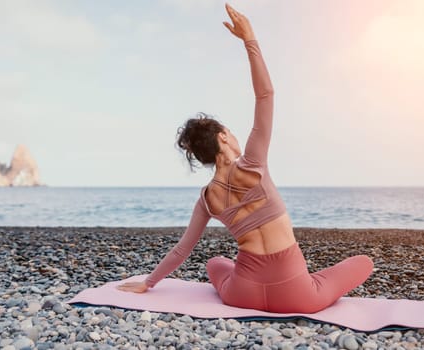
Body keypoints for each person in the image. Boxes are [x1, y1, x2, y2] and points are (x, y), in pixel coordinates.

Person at [117, 3, 374, 313]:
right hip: (296, 296)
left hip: (242, 294)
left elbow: (183, 249)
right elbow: (265, 95)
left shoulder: (207, 199)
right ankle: (307, 281)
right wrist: (249, 40)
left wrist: (149, 282)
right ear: (224, 136)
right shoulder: (254, 164)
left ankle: (278, 283)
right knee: (364, 262)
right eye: (231, 132)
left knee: (215, 262)